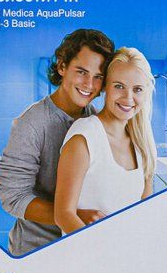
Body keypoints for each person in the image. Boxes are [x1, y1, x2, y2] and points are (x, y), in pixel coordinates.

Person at [0, 29, 114, 256]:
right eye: (81, 72)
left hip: (76, 244)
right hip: (36, 250)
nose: (89, 84)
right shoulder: (31, 123)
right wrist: (71, 215)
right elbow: (14, 198)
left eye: (98, 77)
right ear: (62, 67)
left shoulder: (94, 120)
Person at [54, 47, 157, 234]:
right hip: (89, 251)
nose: (128, 98)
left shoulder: (142, 146)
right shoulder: (84, 137)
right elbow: (63, 215)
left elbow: (146, 213)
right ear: (105, 87)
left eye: (137, 89)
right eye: (119, 86)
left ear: (146, 93)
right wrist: (102, 249)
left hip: (129, 249)